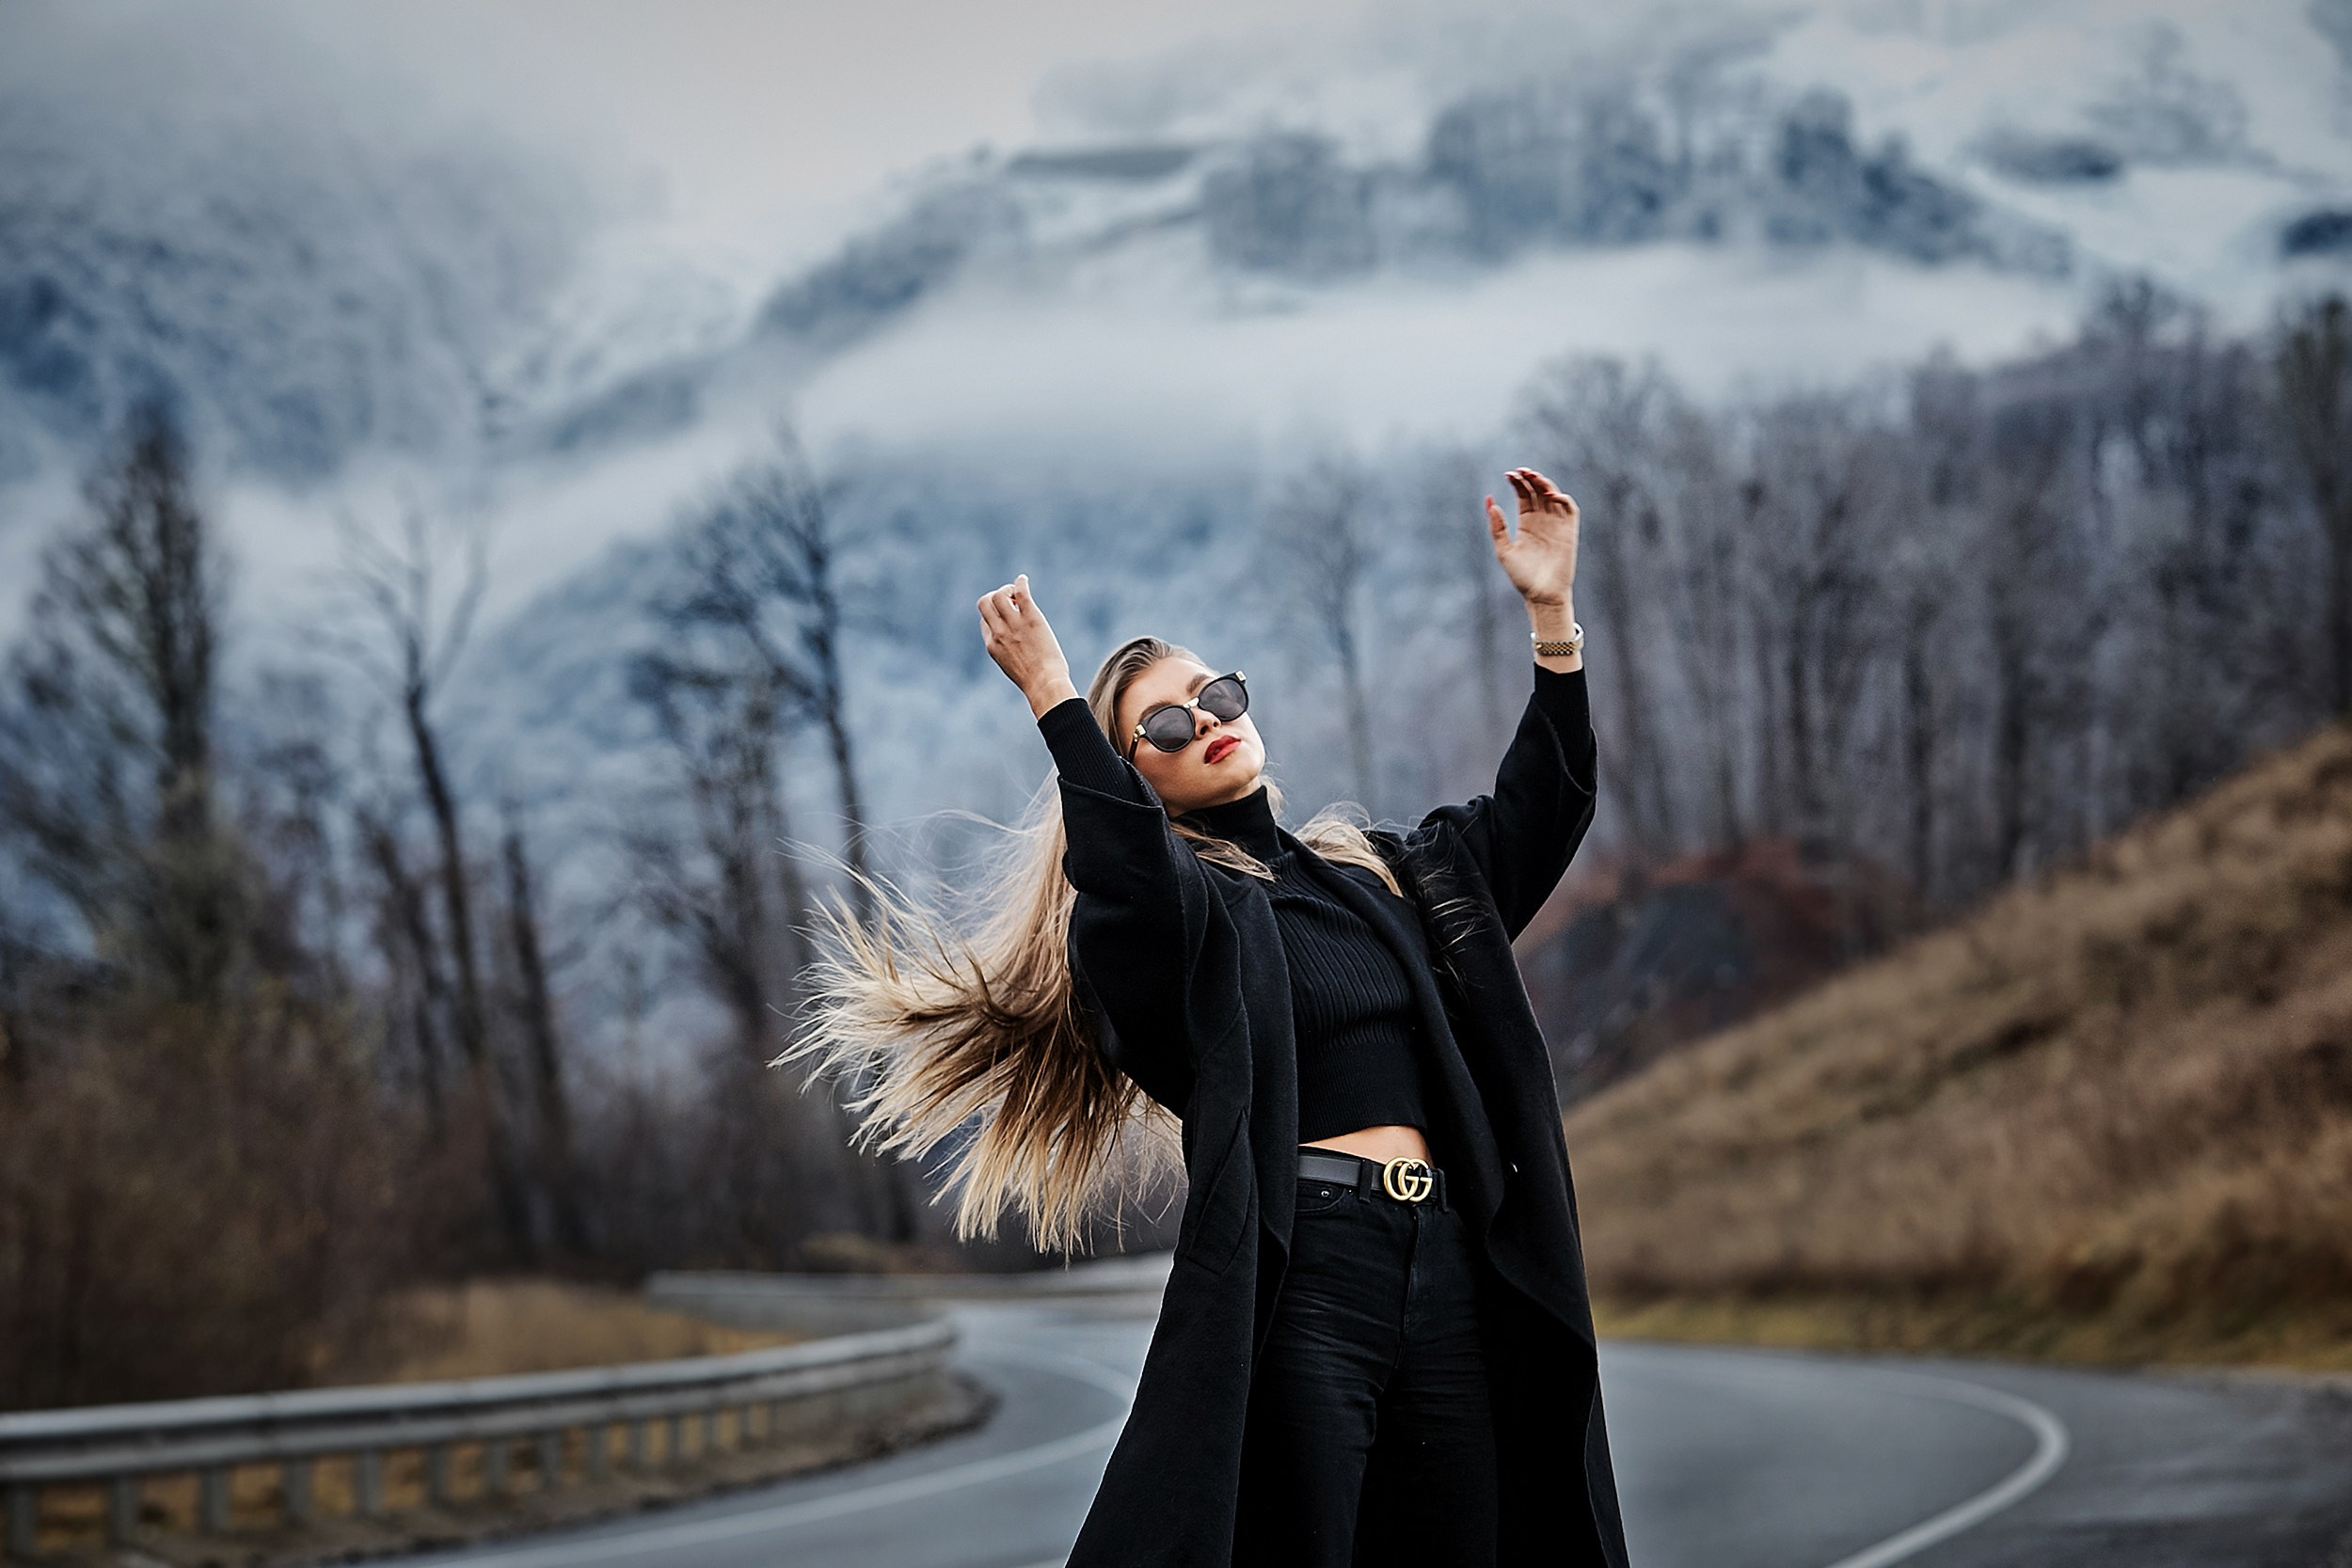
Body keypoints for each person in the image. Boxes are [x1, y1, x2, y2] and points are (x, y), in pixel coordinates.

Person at [785, 467, 1628, 1567]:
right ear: (1137, 777)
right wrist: (1055, 702)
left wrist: (1552, 616)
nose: (1208, 724)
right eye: (1167, 725)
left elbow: (1538, 811)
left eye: (1215, 695)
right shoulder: (1185, 925)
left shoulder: (1384, 880)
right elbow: (1130, 879)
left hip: (1453, 1258)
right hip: (1315, 1273)